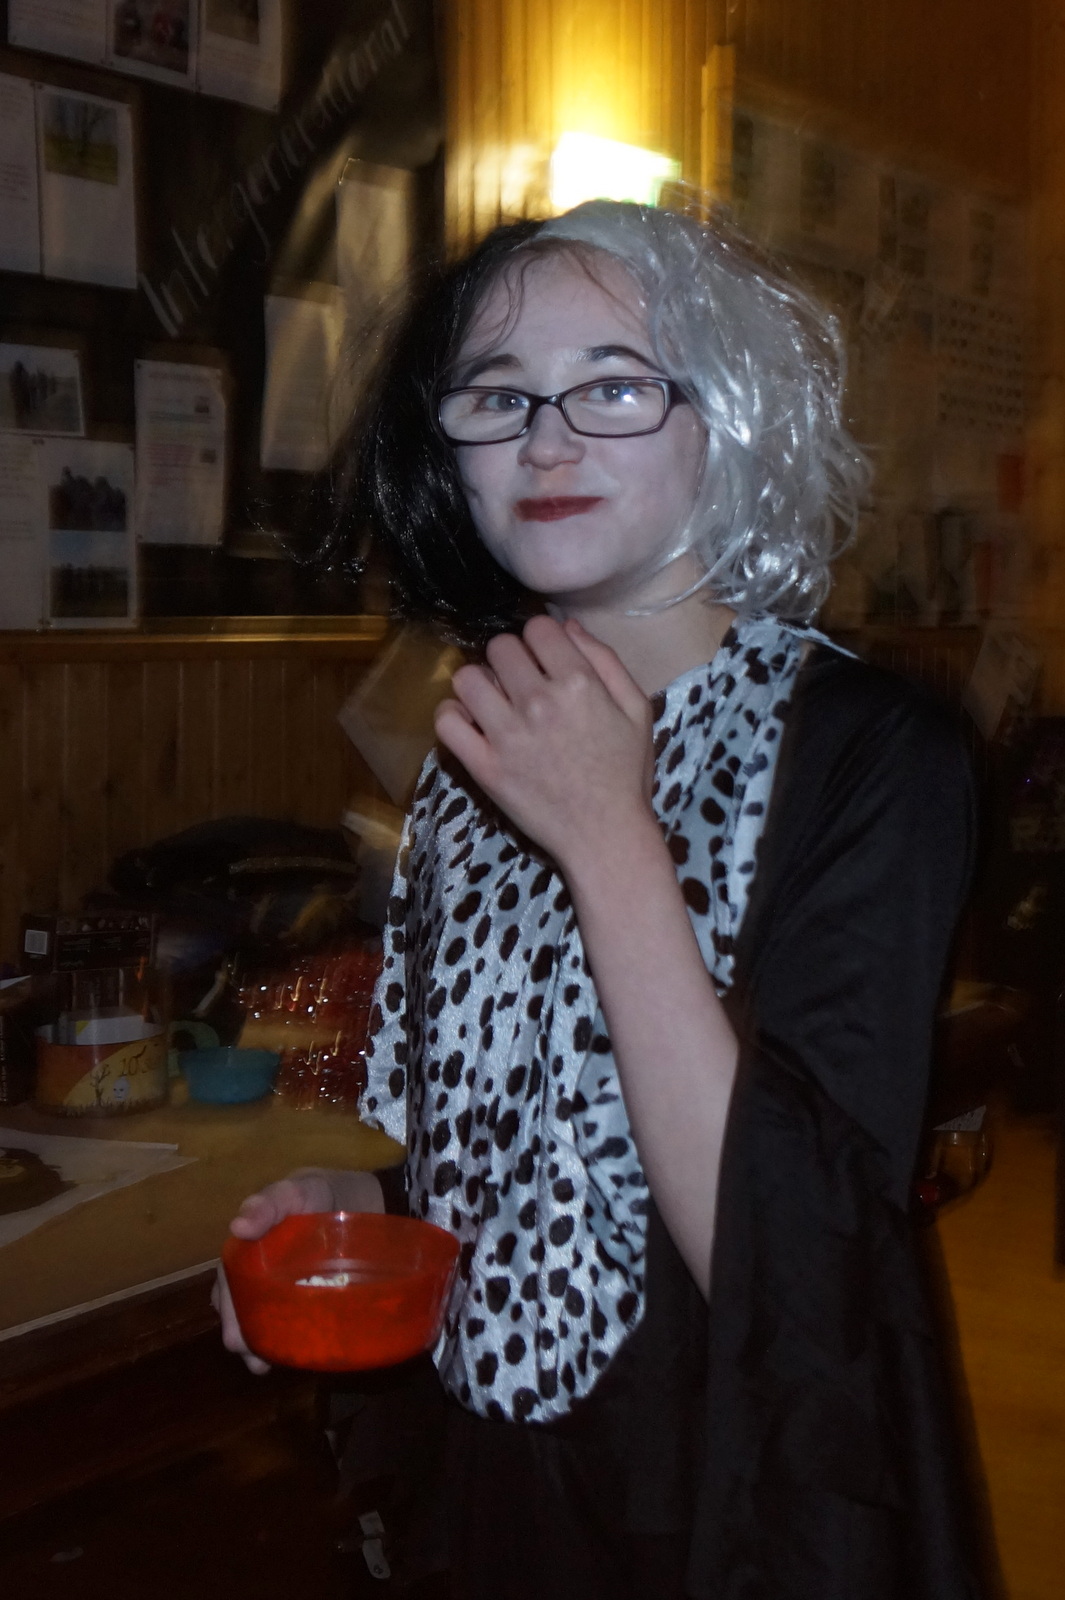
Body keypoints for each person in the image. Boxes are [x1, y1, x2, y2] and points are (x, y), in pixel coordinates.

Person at [215, 201, 984, 1599]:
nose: (547, 441)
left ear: (725, 415)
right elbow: (539, 1152)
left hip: (732, 1504)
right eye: (498, 395)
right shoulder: (478, 752)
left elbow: (797, 1263)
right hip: (492, 1497)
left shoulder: (870, 754)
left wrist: (609, 837)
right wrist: (373, 1201)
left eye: (614, 386)